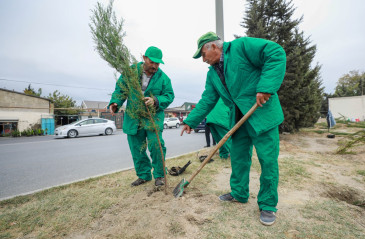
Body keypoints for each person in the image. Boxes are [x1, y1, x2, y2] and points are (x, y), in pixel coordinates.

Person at [181, 32, 286, 226]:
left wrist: (266, 86)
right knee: (238, 158)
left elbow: (275, 52)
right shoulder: (212, 73)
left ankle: (268, 205)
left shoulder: (241, 47)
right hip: (238, 119)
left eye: (203, 55)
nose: (203, 60)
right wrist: (191, 121)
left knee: (267, 161)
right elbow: (208, 99)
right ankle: (239, 193)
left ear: (213, 47)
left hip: (261, 113)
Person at [109, 46, 174, 187]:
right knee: (137, 148)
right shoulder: (131, 72)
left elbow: (169, 95)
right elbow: (120, 89)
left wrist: (156, 100)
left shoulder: (163, 78)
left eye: (158, 63)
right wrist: (115, 102)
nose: (155, 66)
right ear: (144, 58)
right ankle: (144, 175)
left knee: (156, 145)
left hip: (153, 118)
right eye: (152, 62)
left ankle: (160, 175)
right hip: (133, 118)